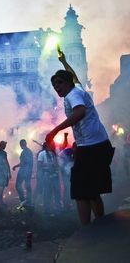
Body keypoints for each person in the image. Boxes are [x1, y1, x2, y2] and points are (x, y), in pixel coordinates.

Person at [46, 50, 114, 225]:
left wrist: (55, 131)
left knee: (80, 191)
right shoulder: (77, 88)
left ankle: (86, 231)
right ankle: (100, 225)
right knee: (91, 191)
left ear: (67, 83)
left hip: (92, 148)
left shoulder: (73, 95)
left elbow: (80, 112)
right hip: (97, 145)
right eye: (54, 85)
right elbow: (74, 77)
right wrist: (64, 61)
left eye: (59, 83)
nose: (57, 87)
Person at [38, 142, 61, 214]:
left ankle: (58, 208)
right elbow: (39, 164)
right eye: (51, 144)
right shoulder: (42, 154)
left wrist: (57, 167)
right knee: (47, 192)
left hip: (55, 175)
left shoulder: (54, 153)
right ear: (47, 145)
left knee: (57, 192)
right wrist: (49, 164)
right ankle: (47, 209)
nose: (53, 145)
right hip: (47, 175)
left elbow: (57, 164)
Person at [12, 139, 33, 207]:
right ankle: (29, 201)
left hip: (23, 171)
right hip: (28, 171)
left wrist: (15, 166)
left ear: (21, 145)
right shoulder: (30, 151)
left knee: (18, 185)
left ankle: (23, 200)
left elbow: (22, 163)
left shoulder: (24, 152)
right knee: (27, 186)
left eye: (20, 144)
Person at [59, 143, 76, 210]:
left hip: (73, 173)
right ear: (74, 147)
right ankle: (66, 204)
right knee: (67, 188)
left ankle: (72, 204)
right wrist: (64, 168)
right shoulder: (67, 151)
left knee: (73, 188)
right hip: (66, 173)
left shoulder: (78, 152)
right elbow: (60, 158)